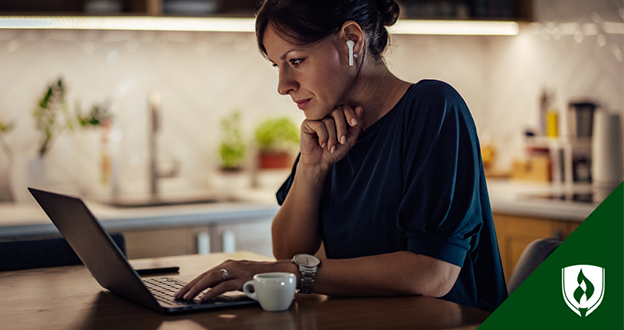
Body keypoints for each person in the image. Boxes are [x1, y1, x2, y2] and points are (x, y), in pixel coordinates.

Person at [175, 0, 507, 311]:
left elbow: (433, 272)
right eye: (278, 66)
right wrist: (311, 169)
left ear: (351, 40)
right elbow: (290, 251)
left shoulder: (432, 108)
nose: (283, 84)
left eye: (296, 61)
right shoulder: (330, 126)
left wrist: (295, 274)